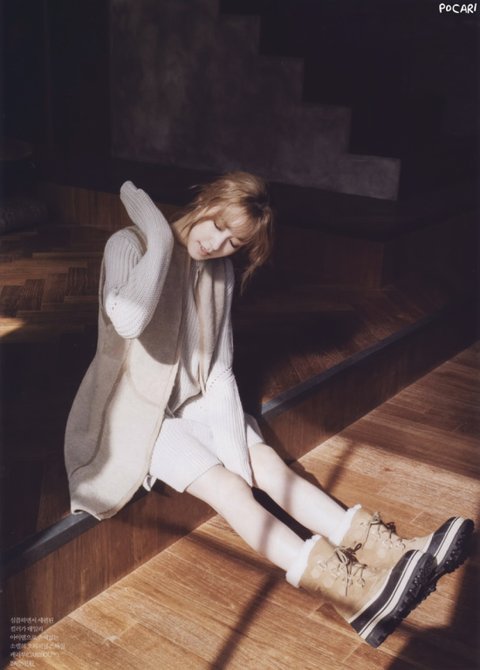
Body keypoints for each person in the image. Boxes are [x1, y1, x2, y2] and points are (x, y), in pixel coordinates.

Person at [64, 172, 473, 648]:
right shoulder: (129, 244)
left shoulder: (219, 273)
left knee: (268, 467)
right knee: (229, 489)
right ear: (206, 200)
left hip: (193, 403)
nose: (216, 244)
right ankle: (350, 593)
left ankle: (392, 554)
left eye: (233, 242)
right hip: (134, 414)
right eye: (218, 225)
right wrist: (159, 235)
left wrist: (242, 458)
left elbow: (218, 373)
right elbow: (128, 319)